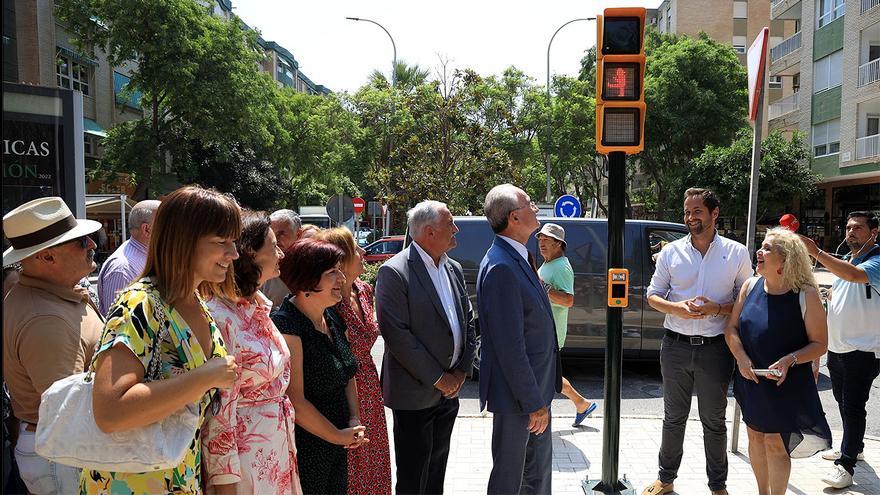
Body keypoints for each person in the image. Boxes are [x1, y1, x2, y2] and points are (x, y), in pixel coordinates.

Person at [80, 186, 240, 493]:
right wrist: (206, 376)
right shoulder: (139, 304)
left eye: (233, 242)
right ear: (183, 243)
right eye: (222, 242)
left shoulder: (195, 302)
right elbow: (110, 411)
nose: (233, 254)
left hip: (176, 479)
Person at [643, 187, 753, 495]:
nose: (691, 218)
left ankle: (718, 487)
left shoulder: (736, 253)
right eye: (687, 212)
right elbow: (652, 296)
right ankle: (665, 480)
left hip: (716, 349)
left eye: (697, 212)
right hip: (675, 346)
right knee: (673, 418)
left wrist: (716, 309)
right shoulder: (670, 252)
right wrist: (676, 308)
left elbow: (747, 301)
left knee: (714, 422)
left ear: (714, 213)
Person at [2, 196, 104, 494]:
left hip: (59, 451)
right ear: (47, 257)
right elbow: (70, 410)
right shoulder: (46, 319)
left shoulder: (50, 298)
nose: (93, 245)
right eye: (82, 242)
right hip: (64, 454)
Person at [375, 200, 477, 495]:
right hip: (415, 395)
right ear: (429, 232)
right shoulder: (394, 272)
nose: (456, 229)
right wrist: (439, 378)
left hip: (450, 393)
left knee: (436, 473)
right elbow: (397, 336)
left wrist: (460, 373)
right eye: (450, 224)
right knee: (413, 476)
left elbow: (467, 321)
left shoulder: (453, 268)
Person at [202, 210, 302, 495]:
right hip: (244, 460)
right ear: (250, 256)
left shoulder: (256, 308)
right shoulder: (221, 317)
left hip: (275, 449)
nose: (281, 253)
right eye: (273, 247)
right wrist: (225, 483)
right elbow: (219, 412)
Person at [725, 228, 831, 495]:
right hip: (751, 377)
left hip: (787, 382)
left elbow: (820, 344)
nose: (759, 252)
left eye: (767, 248)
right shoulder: (750, 286)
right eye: (761, 246)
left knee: (774, 443)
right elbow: (731, 329)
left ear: (786, 259)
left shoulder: (806, 294)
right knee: (754, 437)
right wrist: (741, 358)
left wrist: (789, 360)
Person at [477, 184, 560, 495]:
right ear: (513, 217)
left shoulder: (518, 257)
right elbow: (510, 347)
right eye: (529, 204)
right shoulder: (501, 265)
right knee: (510, 479)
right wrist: (533, 403)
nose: (536, 208)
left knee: (535, 476)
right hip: (519, 397)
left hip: (531, 391)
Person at [272, 239, 368, 495]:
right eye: (332, 273)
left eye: (339, 269)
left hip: (338, 443)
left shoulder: (332, 317)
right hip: (308, 447)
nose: (341, 277)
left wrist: (354, 419)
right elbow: (296, 400)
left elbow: (348, 375)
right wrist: (339, 435)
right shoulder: (287, 325)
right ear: (307, 282)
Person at [799, 211, 880, 489]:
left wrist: (816, 252)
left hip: (864, 348)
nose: (851, 232)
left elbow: (855, 276)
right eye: (848, 227)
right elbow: (846, 285)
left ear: (874, 232)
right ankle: (853, 447)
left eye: (858, 228)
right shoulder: (847, 259)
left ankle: (845, 465)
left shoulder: (876, 261)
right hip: (838, 346)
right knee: (841, 400)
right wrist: (829, 297)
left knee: (853, 405)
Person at [314, 228, 392, 495]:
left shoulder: (364, 289)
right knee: (350, 467)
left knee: (374, 462)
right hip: (344, 387)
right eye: (355, 249)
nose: (363, 253)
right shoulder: (328, 301)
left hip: (369, 385)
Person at [535, 223, 596, 426]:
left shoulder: (561, 266)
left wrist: (543, 288)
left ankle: (578, 406)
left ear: (559, 244)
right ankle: (582, 404)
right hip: (543, 332)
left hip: (550, 334)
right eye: (540, 240)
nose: (542, 244)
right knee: (551, 376)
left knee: (547, 377)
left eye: (547, 241)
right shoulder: (549, 263)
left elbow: (568, 300)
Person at [96, 200, 160, 316]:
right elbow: (117, 326)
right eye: (166, 224)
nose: (173, 229)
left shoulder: (145, 257)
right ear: (147, 229)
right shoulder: (122, 269)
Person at [261, 209, 302, 309]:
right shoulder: (261, 267)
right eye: (271, 233)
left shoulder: (308, 266)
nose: (275, 238)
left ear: (298, 235)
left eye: (282, 233)